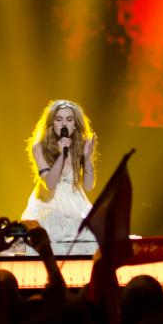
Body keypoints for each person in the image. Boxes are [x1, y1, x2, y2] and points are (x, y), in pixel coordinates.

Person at [19, 99, 98, 254]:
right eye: (59, 119)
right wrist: (62, 154)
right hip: (48, 202)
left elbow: (89, 186)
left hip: (75, 201)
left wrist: (87, 159)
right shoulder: (39, 147)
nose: (64, 124)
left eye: (69, 119)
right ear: (51, 123)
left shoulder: (81, 146)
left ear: (75, 124)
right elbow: (50, 183)